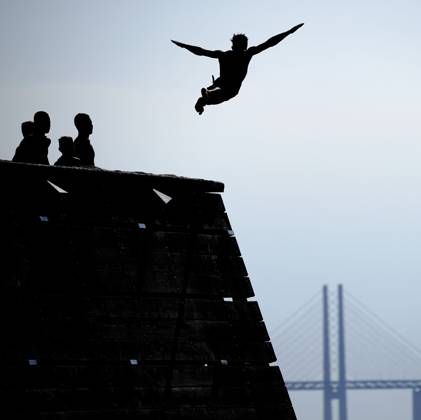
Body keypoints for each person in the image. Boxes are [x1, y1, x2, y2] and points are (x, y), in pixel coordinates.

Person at [172, 23, 304, 114]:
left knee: (215, 91)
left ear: (233, 45)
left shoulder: (223, 55)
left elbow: (201, 51)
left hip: (221, 83)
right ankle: (206, 96)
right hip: (232, 87)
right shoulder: (247, 54)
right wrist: (289, 32)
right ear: (245, 45)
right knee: (222, 92)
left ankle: (206, 95)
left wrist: (184, 46)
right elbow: (269, 43)